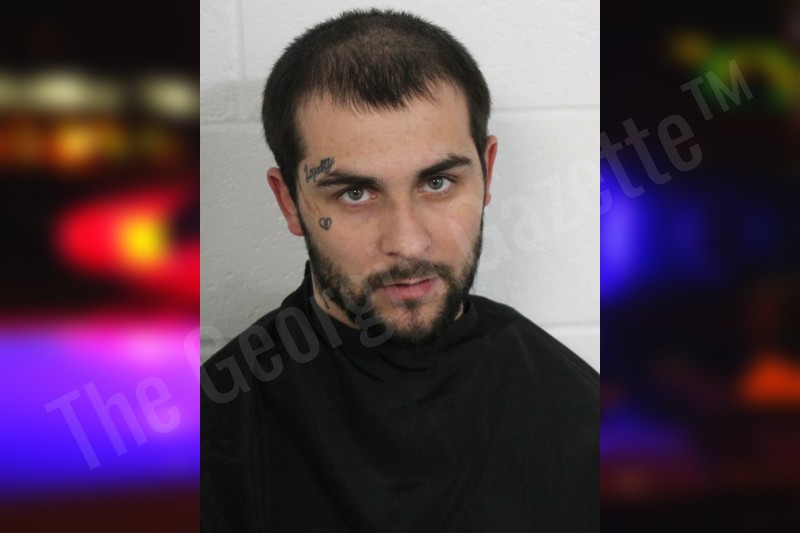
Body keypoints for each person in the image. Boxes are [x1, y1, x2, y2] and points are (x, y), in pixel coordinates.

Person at [201, 8, 598, 532]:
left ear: (487, 172)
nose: (408, 244)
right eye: (355, 193)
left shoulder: (583, 415)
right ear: (290, 202)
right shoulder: (210, 435)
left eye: (437, 183)